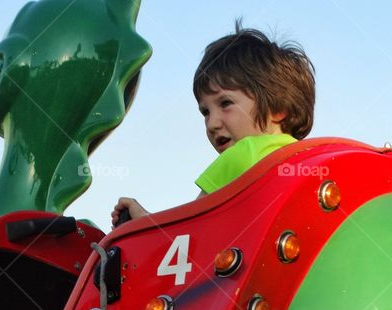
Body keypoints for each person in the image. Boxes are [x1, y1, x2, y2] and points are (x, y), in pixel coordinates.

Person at [111, 24, 315, 225]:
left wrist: (143, 221)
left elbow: (187, 232)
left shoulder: (245, 153)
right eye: (205, 112)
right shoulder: (310, 161)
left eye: (226, 103)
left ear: (278, 108)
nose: (212, 124)